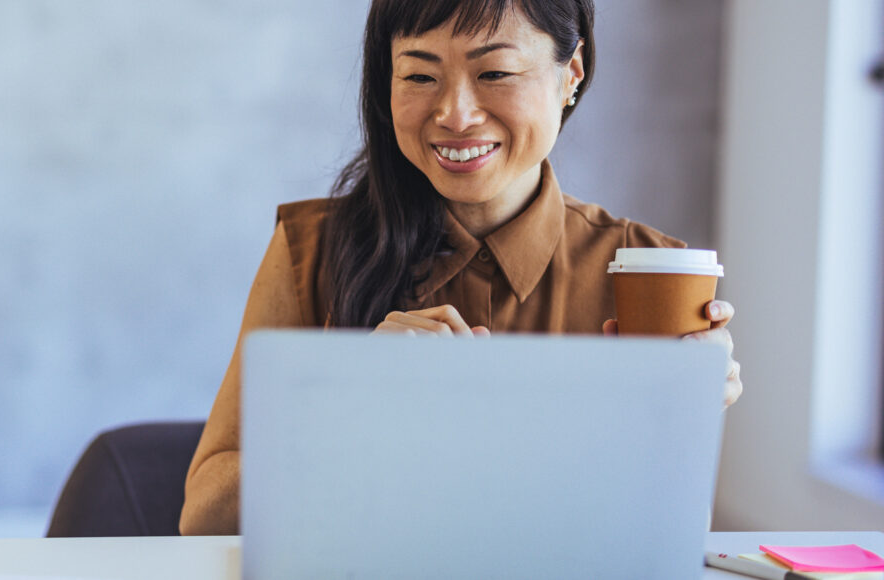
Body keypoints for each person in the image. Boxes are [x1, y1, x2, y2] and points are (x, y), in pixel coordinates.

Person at [178, 0, 743, 536]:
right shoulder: (312, 250)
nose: (455, 114)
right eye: (420, 76)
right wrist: (349, 406)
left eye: (495, 73)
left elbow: (669, 534)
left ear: (570, 73)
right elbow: (203, 516)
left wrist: (686, 405)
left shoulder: (646, 272)